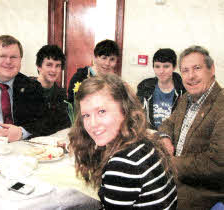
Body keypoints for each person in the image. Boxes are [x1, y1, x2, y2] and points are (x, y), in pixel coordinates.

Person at [69, 75, 177, 209]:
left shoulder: (123, 163)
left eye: (102, 111)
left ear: (124, 110)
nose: (92, 124)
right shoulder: (143, 142)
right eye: (86, 115)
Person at [159, 45, 224, 209]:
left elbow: (217, 162)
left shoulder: (221, 104)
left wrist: (170, 163)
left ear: (212, 69)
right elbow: (169, 123)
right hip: (175, 180)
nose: (191, 76)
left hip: (200, 192)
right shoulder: (186, 99)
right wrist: (165, 138)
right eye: (185, 70)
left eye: (197, 68)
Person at [137, 48, 186, 130]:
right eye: (157, 66)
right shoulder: (145, 87)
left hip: (173, 138)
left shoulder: (183, 89)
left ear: (174, 67)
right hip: (150, 135)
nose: (161, 71)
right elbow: (136, 115)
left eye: (166, 66)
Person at [67, 39, 120, 104]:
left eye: (112, 59)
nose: (107, 63)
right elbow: (72, 106)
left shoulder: (116, 82)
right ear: (95, 58)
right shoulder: (80, 77)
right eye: (104, 58)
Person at [34, 44, 70, 134]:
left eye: (57, 66)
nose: (53, 70)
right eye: (49, 65)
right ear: (39, 66)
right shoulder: (26, 90)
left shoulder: (61, 94)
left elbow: (64, 125)